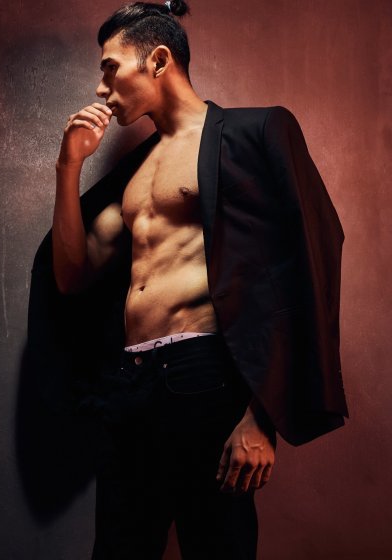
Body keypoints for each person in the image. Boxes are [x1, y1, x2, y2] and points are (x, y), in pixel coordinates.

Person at [27, 1, 349, 558]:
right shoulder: (135, 171)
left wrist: (261, 417)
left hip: (205, 376)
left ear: (157, 60)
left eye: (110, 68)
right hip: (128, 385)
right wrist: (68, 167)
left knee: (217, 546)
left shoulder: (255, 131)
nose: (101, 89)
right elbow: (72, 275)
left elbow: (310, 263)